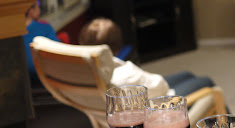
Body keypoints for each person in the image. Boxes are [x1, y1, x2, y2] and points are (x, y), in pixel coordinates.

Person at [78, 18, 215, 98]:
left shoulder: (84, 71)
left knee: (187, 74)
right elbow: (161, 88)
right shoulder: (128, 77)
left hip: (150, 89)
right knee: (206, 81)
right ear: (117, 48)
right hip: (163, 102)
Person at [23, 0, 69, 85]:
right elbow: (59, 56)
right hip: (47, 82)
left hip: (23, 85)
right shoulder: (45, 28)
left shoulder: (8, 34)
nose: (40, 9)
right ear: (31, 11)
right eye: (38, 5)